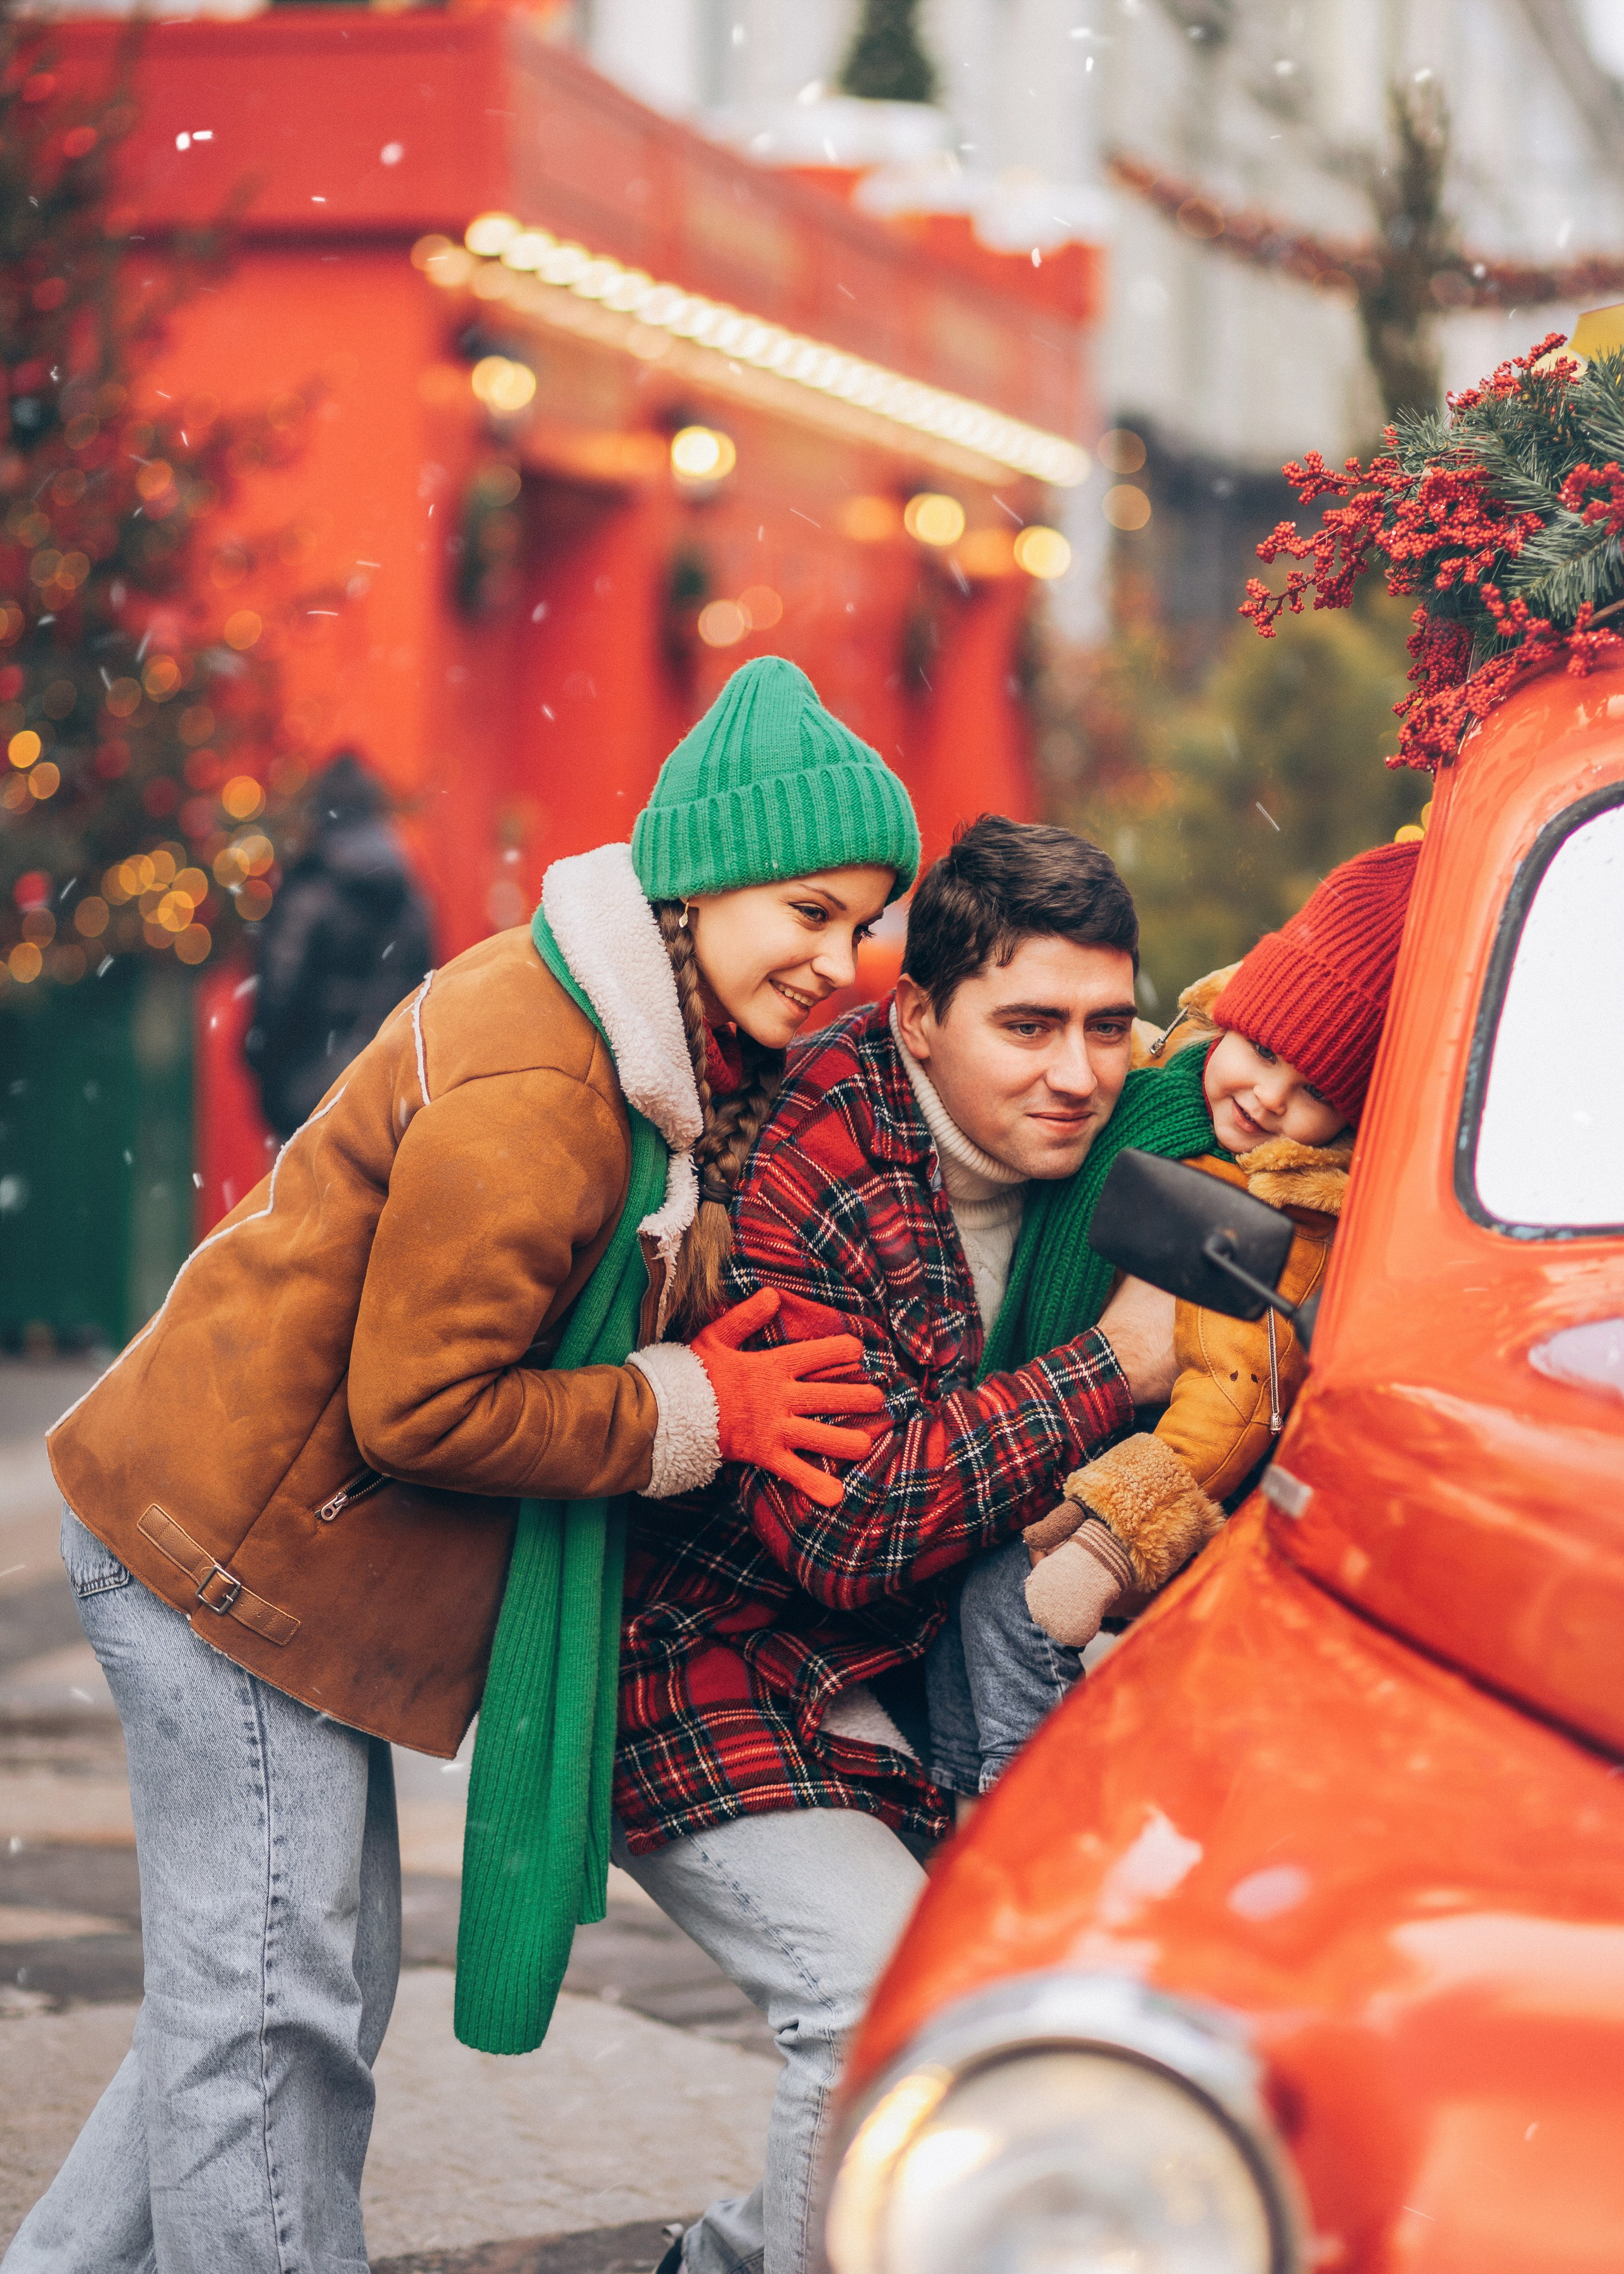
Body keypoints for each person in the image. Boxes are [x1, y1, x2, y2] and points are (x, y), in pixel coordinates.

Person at [6, 654, 908, 2274]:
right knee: (270, 2009)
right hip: (225, 1549)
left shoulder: (638, 1043)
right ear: (702, 885)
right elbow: (418, 1407)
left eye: (864, 924)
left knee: (272, 1990)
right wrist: (688, 1409)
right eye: (810, 912)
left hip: (266, 1541)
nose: (839, 962)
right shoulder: (546, 1077)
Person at [588, 816, 1184, 2274]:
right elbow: (846, 1528)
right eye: (1027, 1025)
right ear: (915, 1015)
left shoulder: (1133, 1126)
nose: (1075, 1071)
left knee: (1042, 2009)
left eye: (1106, 1026)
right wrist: (1111, 1364)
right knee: (875, 2001)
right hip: (700, 1652)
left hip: (902, 1666)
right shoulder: (813, 1150)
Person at [959, 840, 1421, 1776]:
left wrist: (1108, 1544)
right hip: (1059, 1438)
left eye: (1316, 1093)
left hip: (1131, 1495)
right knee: (959, 1625)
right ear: (1232, 1017)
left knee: (1013, 1605)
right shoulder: (1162, 1080)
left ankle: (1037, 1802)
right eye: (1263, 1051)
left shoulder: (1270, 1214)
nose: (1267, 1096)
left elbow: (1234, 1398)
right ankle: (958, 1791)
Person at [244, 748, 435, 1142]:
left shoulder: (309, 892)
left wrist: (263, 1063)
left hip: (309, 1098)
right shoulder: (412, 896)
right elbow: (428, 995)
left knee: (298, 1184)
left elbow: (278, 995)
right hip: (388, 1097)